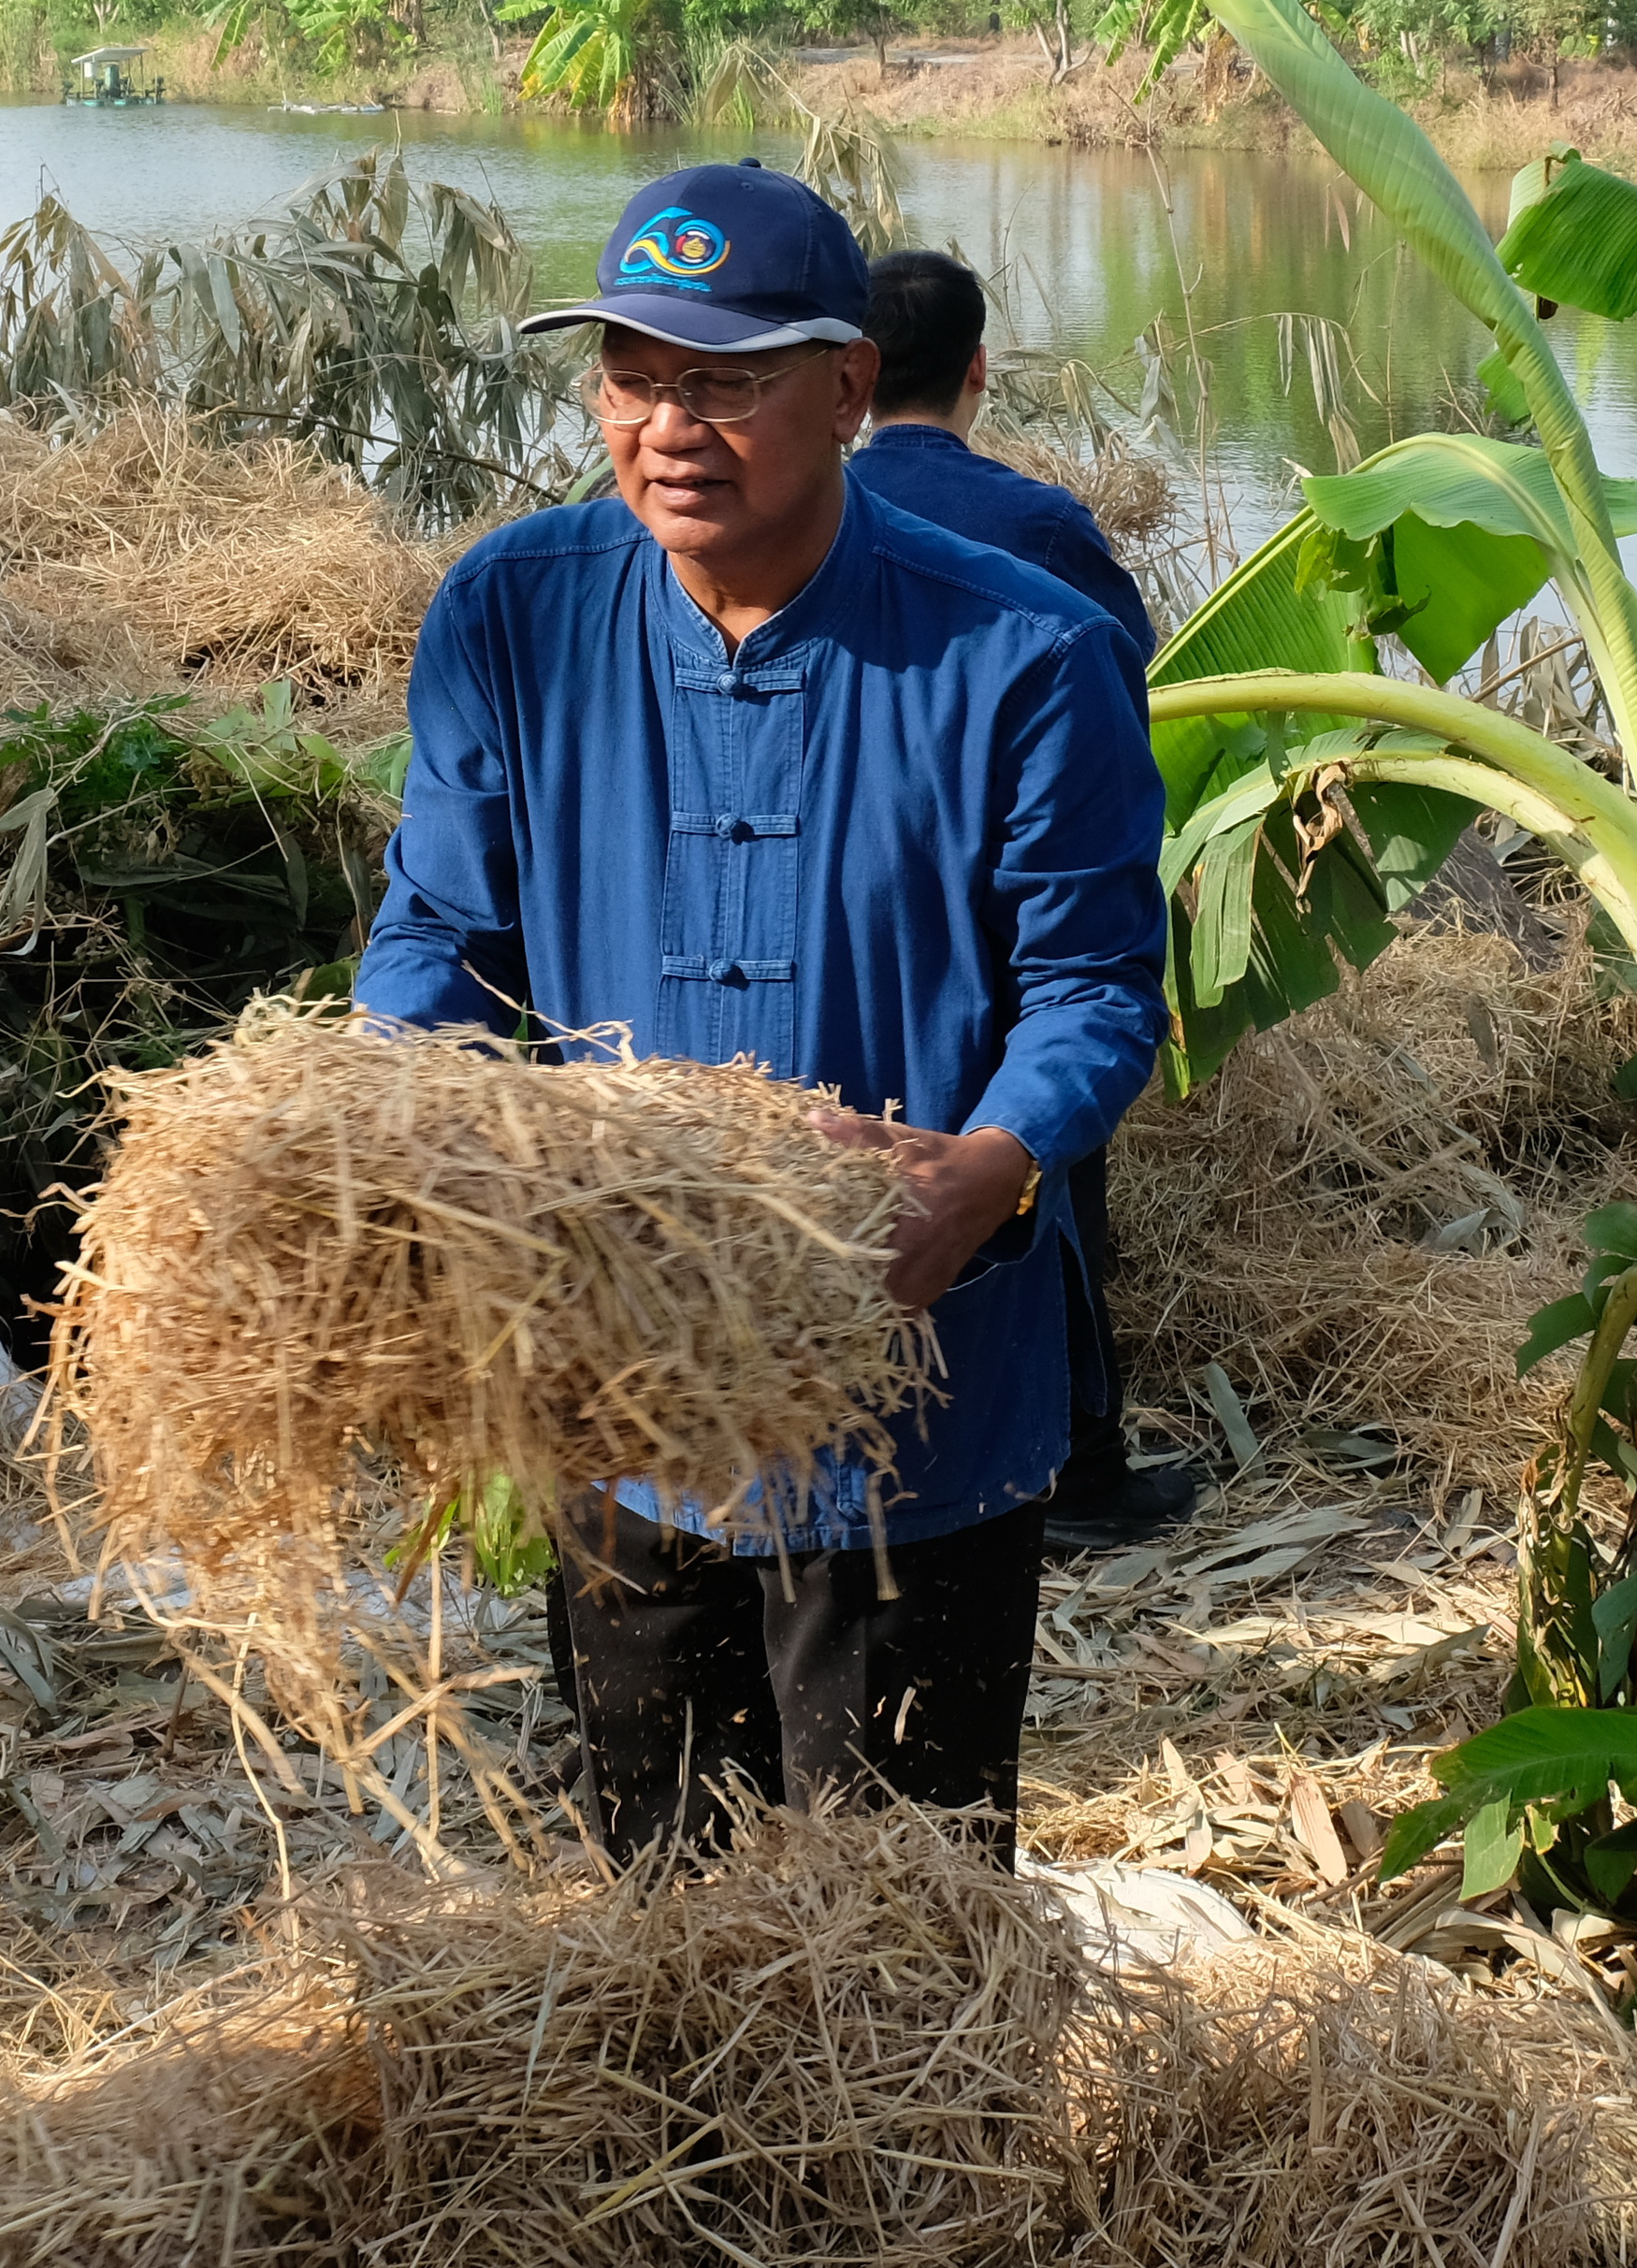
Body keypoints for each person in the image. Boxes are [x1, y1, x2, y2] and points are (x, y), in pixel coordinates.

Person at [359, 165, 1168, 1861]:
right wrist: (387, 1122)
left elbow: (1094, 992)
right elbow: (441, 927)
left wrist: (986, 1169)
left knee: (897, 1937)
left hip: (909, 1401)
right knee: (661, 1887)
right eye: (633, 375)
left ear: (853, 386)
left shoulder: (1023, 654)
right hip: (620, 1383)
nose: (671, 424)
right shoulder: (513, 619)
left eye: (728, 380)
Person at [847, 246, 1196, 1555]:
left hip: (879, 924)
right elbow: (1117, 711)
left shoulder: (807, 514)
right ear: (980, 370)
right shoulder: (1038, 527)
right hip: (1022, 915)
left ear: (846, 375)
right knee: (1047, 1178)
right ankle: (1080, 1469)